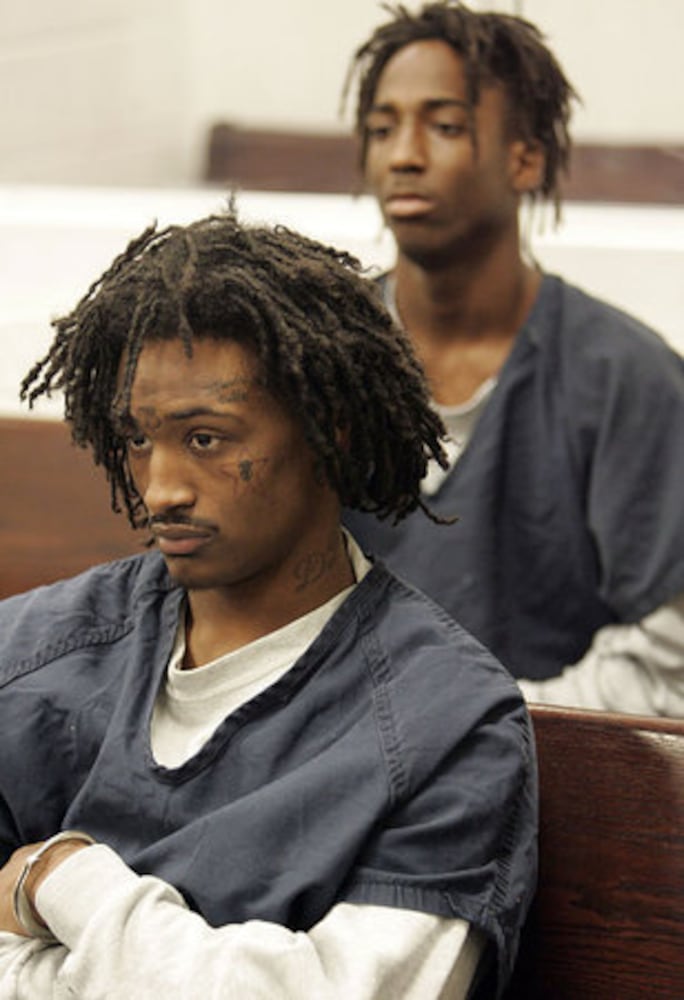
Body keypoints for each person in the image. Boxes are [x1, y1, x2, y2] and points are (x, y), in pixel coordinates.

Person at [0, 210, 536, 999]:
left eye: (206, 439)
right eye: (139, 440)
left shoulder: (447, 726)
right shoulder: (31, 653)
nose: (161, 489)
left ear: (329, 432)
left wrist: (61, 879)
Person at [342, 1, 684, 715]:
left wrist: (480, 726)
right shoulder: (318, 356)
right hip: (328, 751)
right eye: (381, 128)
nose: (403, 155)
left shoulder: (625, 377)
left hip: (555, 760)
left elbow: (670, 660)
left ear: (525, 158)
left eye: (444, 126)